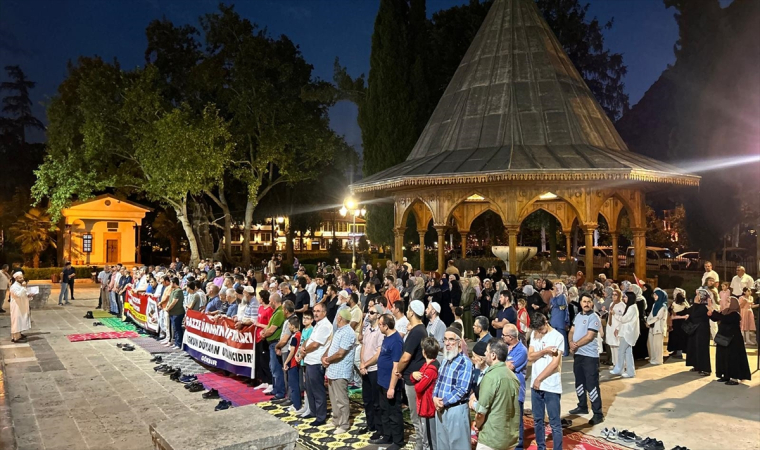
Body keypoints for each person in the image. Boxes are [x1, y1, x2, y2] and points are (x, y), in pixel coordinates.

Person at [473, 340, 520, 450]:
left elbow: (481, 412)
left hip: (491, 439)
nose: (485, 354)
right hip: (509, 438)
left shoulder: (490, 377)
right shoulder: (513, 376)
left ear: (493, 355)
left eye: (487, 351)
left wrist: (477, 425)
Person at [432, 327, 474, 450]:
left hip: (456, 410)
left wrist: (442, 401)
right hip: (441, 408)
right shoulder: (445, 360)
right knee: (442, 445)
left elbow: (462, 390)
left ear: (459, 342)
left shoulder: (465, 363)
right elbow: (438, 381)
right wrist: (434, 397)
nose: (447, 343)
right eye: (445, 339)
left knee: (458, 446)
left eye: (451, 339)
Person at [527, 313, 564, 450]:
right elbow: (530, 356)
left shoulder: (558, 337)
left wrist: (539, 379)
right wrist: (545, 351)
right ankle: (540, 447)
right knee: (537, 420)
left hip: (551, 385)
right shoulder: (534, 334)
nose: (540, 332)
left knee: (554, 422)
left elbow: (554, 364)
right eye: (537, 330)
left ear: (546, 322)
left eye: (541, 329)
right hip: (536, 386)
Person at [395, 300, 428, 450]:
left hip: (413, 380)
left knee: (417, 417)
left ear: (412, 312)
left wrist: (399, 370)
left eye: (408, 309)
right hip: (413, 377)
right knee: (417, 416)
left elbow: (406, 357)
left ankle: (421, 445)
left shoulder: (417, 332)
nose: (407, 312)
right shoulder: (419, 329)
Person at [568, 293, 604, 425]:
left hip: (590, 357)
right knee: (579, 382)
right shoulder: (578, 316)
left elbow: (589, 336)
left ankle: (598, 414)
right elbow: (571, 331)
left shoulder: (594, 317)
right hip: (579, 355)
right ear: (580, 303)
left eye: (589, 301)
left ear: (592, 303)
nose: (587, 304)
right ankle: (582, 406)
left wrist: (575, 345)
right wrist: (570, 342)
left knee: (592, 385)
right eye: (584, 301)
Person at [371, 313, 405, 450]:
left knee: (394, 412)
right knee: (384, 410)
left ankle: (398, 440)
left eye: (380, 324)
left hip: (390, 383)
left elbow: (396, 366)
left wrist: (392, 387)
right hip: (382, 381)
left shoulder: (396, 341)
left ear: (386, 325)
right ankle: (387, 435)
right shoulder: (386, 337)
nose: (379, 326)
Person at [323, 308, 356, 435]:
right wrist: (325, 358)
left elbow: (341, 353)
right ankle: (336, 419)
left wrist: (328, 359)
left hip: (341, 370)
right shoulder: (339, 331)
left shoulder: (348, 332)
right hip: (333, 369)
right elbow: (332, 347)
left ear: (340, 318)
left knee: (341, 399)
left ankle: (344, 424)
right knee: (333, 397)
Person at [300, 302, 333, 426]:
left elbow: (315, 344)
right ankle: (313, 411)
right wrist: (303, 349)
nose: (315, 313)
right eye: (314, 311)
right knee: (309, 388)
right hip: (309, 360)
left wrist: (304, 350)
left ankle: (321, 416)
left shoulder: (325, 326)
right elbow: (310, 340)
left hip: (316, 361)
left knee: (318, 390)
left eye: (318, 311)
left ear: (324, 312)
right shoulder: (318, 325)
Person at [709, 297, 751, 385]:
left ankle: (734, 378)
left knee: (732, 358)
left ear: (733, 304)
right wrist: (710, 314)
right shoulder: (725, 311)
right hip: (724, 338)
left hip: (733, 340)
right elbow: (717, 318)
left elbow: (725, 319)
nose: (726, 302)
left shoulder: (735, 314)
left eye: (728, 301)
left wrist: (713, 312)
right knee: (724, 357)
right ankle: (726, 375)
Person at [359, 303, 385, 437]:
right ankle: (370, 424)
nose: (369, 314)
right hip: (365, 368)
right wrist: (361, 363)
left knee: (376, 401)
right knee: (367, 399)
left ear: (379, 315)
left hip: (374, 369)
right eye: (369, 312)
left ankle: (379, 428)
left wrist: (366, 364)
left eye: (372, 312)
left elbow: (378, 354)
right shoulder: (367, 328)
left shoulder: (381, 332)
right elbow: (363, 346)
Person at [411, 337, 440, 450]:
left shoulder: (431, 369)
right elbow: (414, 378)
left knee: (430, 440)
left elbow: (418, 388)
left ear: (424, 352)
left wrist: (416, 378)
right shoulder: (426, 365)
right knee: (425, 438)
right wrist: (413, 375)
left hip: (428, 409)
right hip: (423, 407)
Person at [503, 324, 527, 450]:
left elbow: (510, 367)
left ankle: (519, 446)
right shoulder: (505, 347)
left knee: (517, 420)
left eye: (504, 335)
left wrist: (502, 363)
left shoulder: (522, 350)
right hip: (505, 389)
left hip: (517, 389)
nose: (502, 337)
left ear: (511, 337)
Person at [610, 292, 640, 378]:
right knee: (628, 353)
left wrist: (615, 314)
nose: (624, 299)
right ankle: (631, 372)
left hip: (627, 333)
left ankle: (618, 368)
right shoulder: (631, 307)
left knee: (621, 351)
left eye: (626, 297)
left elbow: (624, 319)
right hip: (626, 332)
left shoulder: (632, 308)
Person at [685, 289, 712, 376]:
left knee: (702, 348)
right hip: (695, 329)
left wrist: (696, 304)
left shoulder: (705, 306)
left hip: (702, 330)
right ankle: (697, 365)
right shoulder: (697, 305)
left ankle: (705, 369)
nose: (696, 297)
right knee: (695, 347)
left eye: (698, 295)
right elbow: (689, 311)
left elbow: (694, 315)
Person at [282, 316, 302, 412]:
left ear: (293, 326)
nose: (288, 326)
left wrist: (286, 362)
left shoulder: (295, 337)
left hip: (293, 363)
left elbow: (292, 351)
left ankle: (296, 405)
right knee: (294, 384)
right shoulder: (299, 335)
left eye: (289, 325)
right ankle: (296, 403)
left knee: (293, 385)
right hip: (294, 363)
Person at [646, 288, 668, 365]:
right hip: (652, 327)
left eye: (656, 295)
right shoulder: (655, 304)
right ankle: (653, 358)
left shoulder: (663, 306)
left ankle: (658, 360)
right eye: (654, 295)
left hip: (658, 328)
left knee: (657, 344)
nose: (654, 296)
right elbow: (651, 314)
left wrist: (649, 322)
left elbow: (658, 317)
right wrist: (648, 321)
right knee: (651, 343)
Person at [9, 272, 32, 343]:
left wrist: (29, 295)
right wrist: (23, 287)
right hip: (16, 307)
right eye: (20, 278)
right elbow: (18, 294)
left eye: (22, 277)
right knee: (17, 321)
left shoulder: (20, 285)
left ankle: (19, 334)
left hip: (21, 306)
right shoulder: (13, 286)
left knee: (21, 320)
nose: (22, 279)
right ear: (16, 279)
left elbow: (24, 294)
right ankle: (16, 338)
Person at [667, 288, 689, 359]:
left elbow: (670, 311)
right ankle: (676, 351)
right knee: (677, 337)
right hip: (681, 323)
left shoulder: (674, 304)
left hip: (676, 323)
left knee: (677, 338)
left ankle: (678, 353)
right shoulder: (685, 305)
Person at [550, 282, 570, 356]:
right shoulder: (555, 297)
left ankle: (564, 351)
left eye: (558, 288)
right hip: (555, 318)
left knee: (562, 335)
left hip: (560, 319)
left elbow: (563, 307)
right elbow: (552, 303)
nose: (557, 290)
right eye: (556, 288)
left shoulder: (562, 296)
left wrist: (566, 321)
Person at [629, 284, 649, 360]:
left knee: (640, 339)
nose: (630, 290)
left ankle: (640, 355)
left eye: (631, 289)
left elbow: (640, 312)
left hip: (640, 321)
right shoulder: (632, 299)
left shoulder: (640, 300)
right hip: (633, 321)